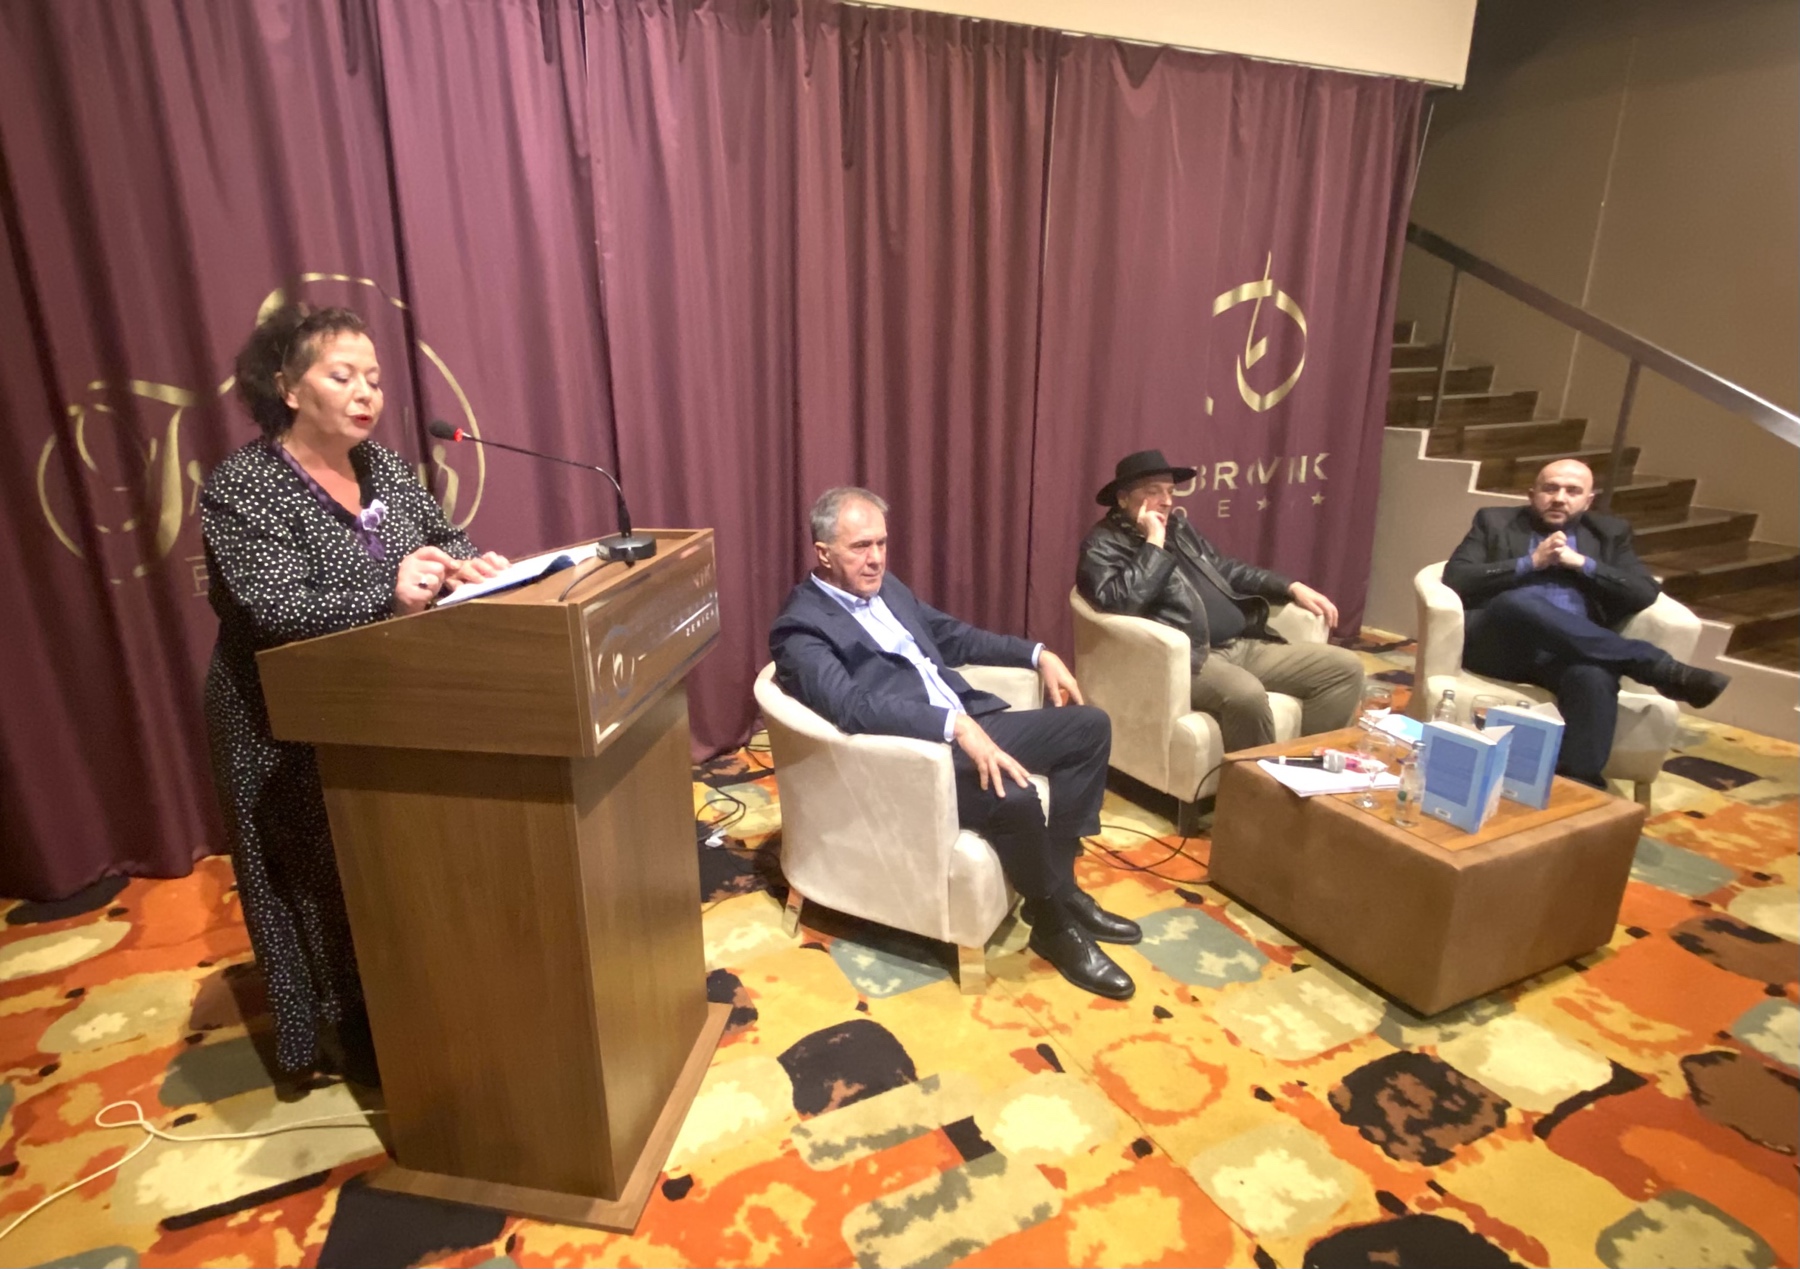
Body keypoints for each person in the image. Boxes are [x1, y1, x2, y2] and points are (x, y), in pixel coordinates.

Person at [200, 303, 508, 1085]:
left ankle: (414, 1007)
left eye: (373, 377)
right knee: (316, 878)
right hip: (280, 720)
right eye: (343, 375)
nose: (366, 392)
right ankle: (342, 1035)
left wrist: (468, 564)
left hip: (387, 702)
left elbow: (442, 537)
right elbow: (273, 607)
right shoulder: (243, 485)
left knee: (388, 864)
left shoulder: (385, 467)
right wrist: (388, 593)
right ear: (288, 388)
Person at [770, 487, 1139, 1000]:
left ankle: (1062, 885)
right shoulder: (800, 628)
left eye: (881, 543)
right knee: (1015, 795)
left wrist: (1036, 653)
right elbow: (851, 707)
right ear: (824, 552)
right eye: (860, 547)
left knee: (1089, 728)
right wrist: (953, 726)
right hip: (918, 758)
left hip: (969, 723)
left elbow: (952, 635)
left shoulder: (886, 588)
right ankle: (1054, 924)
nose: (875, 558)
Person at [1442, 457, 1729, 788]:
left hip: (1570, 652)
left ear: (1588, 500)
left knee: (1593, 675)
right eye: (1550, 489)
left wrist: (1583, 564)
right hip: (1500, 646)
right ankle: (1655, 666)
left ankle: (1579, 785)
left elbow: (1643, 592)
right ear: (1532, 494)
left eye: (1572, 491)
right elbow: (1457, 577)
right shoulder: (1494, 521)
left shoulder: (1609, 533)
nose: (1559, 498)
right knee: (1518, 602)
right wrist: (1531, 562)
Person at [1077, 449, 1365, 754]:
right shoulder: (1102, 544)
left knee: (1344, 669)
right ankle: (1255, 781)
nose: (1167, 501)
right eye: (1154, 491)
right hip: (1191, 659)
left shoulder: (1179, 528)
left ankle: (1306, 762)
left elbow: (1223, 569)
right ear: (1123, 499)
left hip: (1242, 645)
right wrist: (1154, 544)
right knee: (1247, 695)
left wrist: (1289, 586)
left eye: (1170, 491)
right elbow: (1121, 603)